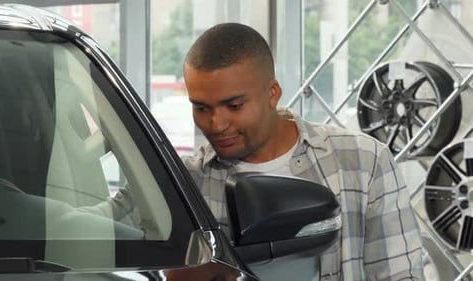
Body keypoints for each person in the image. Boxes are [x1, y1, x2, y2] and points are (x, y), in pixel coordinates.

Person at [180, 22, 424, 280]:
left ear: (272, 94)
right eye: (202, 108)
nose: (217, 124)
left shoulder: (363, 161)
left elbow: (401, 275)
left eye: (234, 105)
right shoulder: (185, 186)